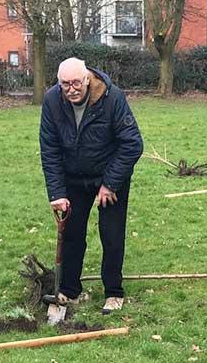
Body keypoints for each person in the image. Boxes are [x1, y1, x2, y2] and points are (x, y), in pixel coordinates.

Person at [40, 57, 143, 317]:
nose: (71, 89)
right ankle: (69, 290)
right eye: (65, 84)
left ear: (87, 79)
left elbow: (132, 144)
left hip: (109, 175)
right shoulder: (52, 101)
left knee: (111, 234)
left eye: (76, 82)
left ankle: (113, 292)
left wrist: (110, 183)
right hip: (73, 177)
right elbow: (49, 149)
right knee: (72, 235)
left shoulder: (112, 98)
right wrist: (57, 193)